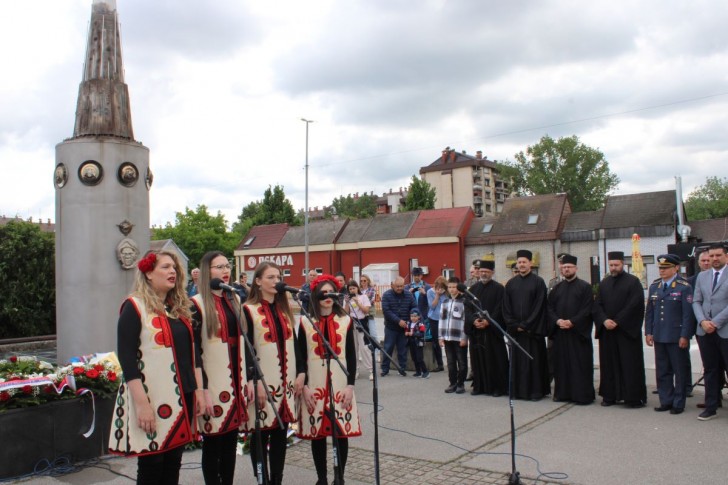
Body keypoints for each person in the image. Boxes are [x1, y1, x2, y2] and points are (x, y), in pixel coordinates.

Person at [109, 250, 203, 484]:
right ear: (149, 273)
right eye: (165, 267)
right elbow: (127, 359)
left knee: (173, 464)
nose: (172, 271)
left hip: (183, 396)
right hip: (153, 400)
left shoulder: (177, 308)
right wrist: (142, 405)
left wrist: (198, 391)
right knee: (152, 464)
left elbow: (192, 355)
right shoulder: (134, 306)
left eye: (174, 267)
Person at [242, 262, 306, 485]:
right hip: (263, 383)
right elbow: (246, 349)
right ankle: (262, 479)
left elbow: (295, 345)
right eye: (270, 277)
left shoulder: (284, 310)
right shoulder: (248, 310)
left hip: (286, 383)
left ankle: (277, 479)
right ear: (258, 282)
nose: (276, 281)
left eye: (278, 276)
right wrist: (254, 380)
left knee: (280, 435)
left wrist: (301, 373)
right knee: (260, 435)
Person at [191, 252, 250, 484]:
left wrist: (248, 380)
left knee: (231, 440)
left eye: (227, 265)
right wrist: (201, 388)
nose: (225, 270)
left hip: (236, 379)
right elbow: (194, 352)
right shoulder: (195, 305)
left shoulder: (233, 299)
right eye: (219, 267)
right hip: (212, 382)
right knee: (213, 441)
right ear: (207, 271)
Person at [298, 274, 361, 485]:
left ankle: (339, 477)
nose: (327, 296)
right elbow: (300, 358)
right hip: (314, 383)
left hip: (340, 382)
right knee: (318, 434)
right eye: (323, 292)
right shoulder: (305, 322)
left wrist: (351, 385)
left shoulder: (345, 321)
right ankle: (322, 478)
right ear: (316, 295)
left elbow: (351, 356)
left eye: (331, 292)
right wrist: (305, 386)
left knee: (340, 433)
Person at [593, 251, 647, 408]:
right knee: (608, 365)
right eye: (611, 265)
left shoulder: (633, 282)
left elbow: (634, 305)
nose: (613, 268)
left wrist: (617, 321)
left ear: (623, 264)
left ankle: (632, 398)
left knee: (629, 364)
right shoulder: (604, 283)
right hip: (608, 332)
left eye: (616, 265)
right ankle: (610, 396)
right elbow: (597, 305)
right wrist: (604, 320)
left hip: (626, 332)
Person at [645, 254, 695, 415]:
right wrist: (648, 332)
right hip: (659, 335)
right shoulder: (655, 286)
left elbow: (688, 314)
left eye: (665, 268)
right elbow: (650, 312)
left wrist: (685, 335)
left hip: (676, 335)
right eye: (660, 268)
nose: (662, 271)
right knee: (662, 370)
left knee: (679, 371)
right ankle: (665, 400)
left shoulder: (683, 286)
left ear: (675, 268)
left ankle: (678, 402)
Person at [547, 254, 595, 405]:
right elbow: (549, 308)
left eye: (569, 267)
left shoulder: (585, 287)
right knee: (561, 365)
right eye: (564, 267)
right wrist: (558, 320)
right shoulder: (556, 289)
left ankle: (582, 395)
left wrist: (572, 322)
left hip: (577, 335)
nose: (566, 269)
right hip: (561, 333)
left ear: (576, 268)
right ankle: (562, 394)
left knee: (580, 365)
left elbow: (587, 309)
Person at [503, 249, 550, 401]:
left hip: (532, 332)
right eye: (519, 262)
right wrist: (514, 324)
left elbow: (539, 306)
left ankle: (536, 392)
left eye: (524, 262)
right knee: (517, 363)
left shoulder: (538, 282)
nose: (521, 265)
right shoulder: (511, 284)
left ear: (531, 263)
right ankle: (518, 391)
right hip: (516, 332)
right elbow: (506, 307)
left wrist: (527, 324)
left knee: (534, 363)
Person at [692, 243, 728, 421]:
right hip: (705, 330)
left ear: (726, 257)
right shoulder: (702, 277)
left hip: (724, 330)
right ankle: (711, 406)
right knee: (711, 369)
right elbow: (696, 301)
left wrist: (715, 322)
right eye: (712, 256)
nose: (714, 259)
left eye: (718, 255)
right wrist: (702, 321)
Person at [464, 260, 508, 397]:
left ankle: (497, 388)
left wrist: (488, 321)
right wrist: (474, 320)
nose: (483, 273)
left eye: (487, 272)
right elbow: (467, 308)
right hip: (477, 332)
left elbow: (501, 308)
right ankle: (479, 386)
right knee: (478, 359)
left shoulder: (500, 289)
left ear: (492, 272)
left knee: (494, 360)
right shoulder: (472, 290)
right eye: (481, 271)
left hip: (492, 332)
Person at [689, 248, 713, 406]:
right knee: (709, 365)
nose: (705, 263)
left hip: (721, 326)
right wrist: (701, 321)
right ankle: (712, 398)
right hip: (701, 327)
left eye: (708, 260)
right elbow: (692, 303)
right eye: (702, 261)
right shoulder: (691, 281)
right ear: (698, 263)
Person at [380, 276, 416, 377]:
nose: (400, 288)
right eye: (397, 286)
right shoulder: (386, 295)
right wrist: (398, 320)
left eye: (401, 286)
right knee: (388, 348)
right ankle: (385, 369)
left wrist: (410, 320)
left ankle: (402, 368)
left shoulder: (409, 295)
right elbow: (386, 311)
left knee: (402, 349)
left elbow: (414, 307)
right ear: (392, 285)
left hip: (404, 327)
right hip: (391, 327)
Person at [439, 277, 468, 394]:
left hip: (459, 337)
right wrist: (440, 336)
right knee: (450, 362)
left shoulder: (464, 302)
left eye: (454, 287)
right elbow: (441, 320)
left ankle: (461, 384)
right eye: (449, 287)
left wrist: (464, 337)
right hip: (447, 337)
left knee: (461, 361)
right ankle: (453, 383)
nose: (451, 290)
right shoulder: (445, 302)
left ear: (459, 288)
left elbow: (465, 320)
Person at [344, 279, 374, 381]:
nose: (352, 290)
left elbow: (366, 310)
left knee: (364, 348)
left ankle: (371, 370)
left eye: (354, 288)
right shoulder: (348, 299)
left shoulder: (363, 297)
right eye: (350, 289)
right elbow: (345, 312)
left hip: (361, 323)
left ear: (357, 288)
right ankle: (355, 370)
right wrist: (347, 302)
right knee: (354, 348)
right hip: (351, 324)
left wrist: (357, 301)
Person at [426, 276, 447, 372]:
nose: (439, 289)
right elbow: (432, 306)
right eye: (438, 287)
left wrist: (444, 294)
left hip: (445, 319)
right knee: (436, 341)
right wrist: (437, 295)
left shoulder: (447, 293)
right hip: (434, 318)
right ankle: (440, 364)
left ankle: (452, 362)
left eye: (442, 287)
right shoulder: (430, 292)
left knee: (447, 340)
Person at [359, 274, 380, 363]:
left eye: (364, 280)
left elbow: (369, 300)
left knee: (373, 334)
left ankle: (378, 353)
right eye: (361, 281)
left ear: (368, 281)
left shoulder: (371, 289)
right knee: (363, 335)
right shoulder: (359, 290)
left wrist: (360, 302)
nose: (363, 282)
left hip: (369, 314)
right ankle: (367, 355)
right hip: (361, 315)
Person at [405, 309, 429, 378]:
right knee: (414, 358)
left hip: (419, 343)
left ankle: (425, 372)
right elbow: (406, 330)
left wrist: (413, 334)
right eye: (411, 316)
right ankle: (418, 371)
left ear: (418, 317)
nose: (413, 318)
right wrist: (406, 333)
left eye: (415, 316)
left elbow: (421, 334)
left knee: (419, 358)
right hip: (411, 342)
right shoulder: (409, 323)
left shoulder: (420, 324)